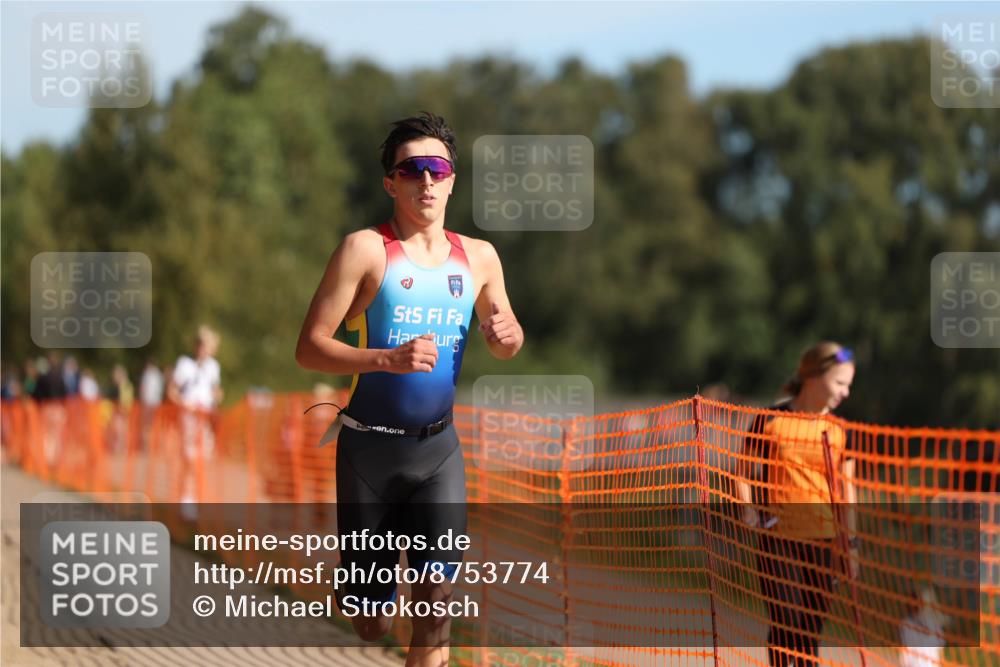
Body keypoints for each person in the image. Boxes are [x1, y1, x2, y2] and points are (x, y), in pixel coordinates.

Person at [295, 111, 523, 666]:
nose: (426, 181)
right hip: (369, 451)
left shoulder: (481, 258)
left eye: (437, 168)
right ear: (390, 182)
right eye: (413, 169)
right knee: (372, 624)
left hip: (438, 451)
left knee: (436, 605)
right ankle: (360, 591)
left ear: (452, 178)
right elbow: (308, 348)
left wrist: (510, 336)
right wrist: (384, 358)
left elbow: (504, 342)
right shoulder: (364, 250)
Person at [734, 341, 858, 667]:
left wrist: (851, 545)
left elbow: (846, 493)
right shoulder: (769, 421)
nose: (845, 393)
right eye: (840, 383)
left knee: (809, 631)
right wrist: (748, 512)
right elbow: (742, 473)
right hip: (778, 539)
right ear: (815, 376)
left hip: (824, 543)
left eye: (849, 385)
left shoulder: (840, 430)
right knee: (786, 621)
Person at [168, 325, 223, 516]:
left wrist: (216, 398)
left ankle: (197, 498)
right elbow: (172, 391)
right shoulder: (184, 365)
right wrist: (185, 405)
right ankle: (186, 499)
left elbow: (215, 391)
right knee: (189, 458)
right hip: (189, 418)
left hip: (205, 418)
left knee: (203, 457)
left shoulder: (213, 367)